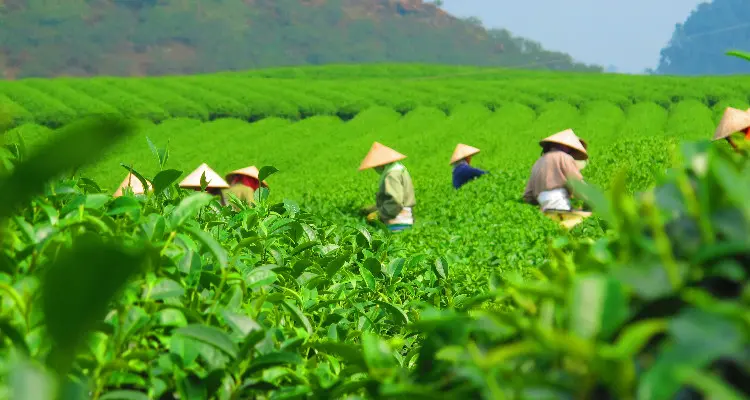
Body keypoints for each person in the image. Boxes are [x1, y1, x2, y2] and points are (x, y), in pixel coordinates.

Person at [523, 128, 588, 212]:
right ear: (566, 146)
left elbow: (528, 194)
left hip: (542, 204)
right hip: (558, 200)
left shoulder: (538, 161)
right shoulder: (564, 157)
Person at [359, 142, 416, 232]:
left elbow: (396, 201)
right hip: (405, 217)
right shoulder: (399, 169)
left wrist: (379, 213)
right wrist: (375, 208)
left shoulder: (392, 175)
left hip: (398, 221)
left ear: (380, 165)